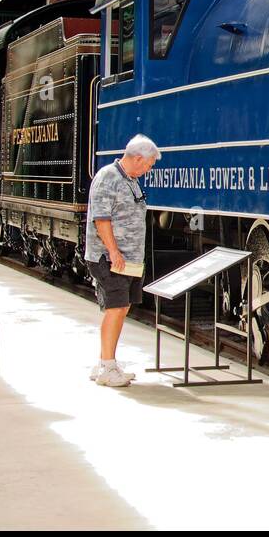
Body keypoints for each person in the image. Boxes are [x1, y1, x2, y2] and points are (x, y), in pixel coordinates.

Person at [86, 134, 161, 387]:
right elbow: (101, 219)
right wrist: (114, 252)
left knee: (122, 307)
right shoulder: (109, 177)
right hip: (110, 258)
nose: (149, 169)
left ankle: (105, 362)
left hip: (128, 259)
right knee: (115, 308)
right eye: (149, 164)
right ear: (137, 158)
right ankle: (107, 367)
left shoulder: (130, 180)